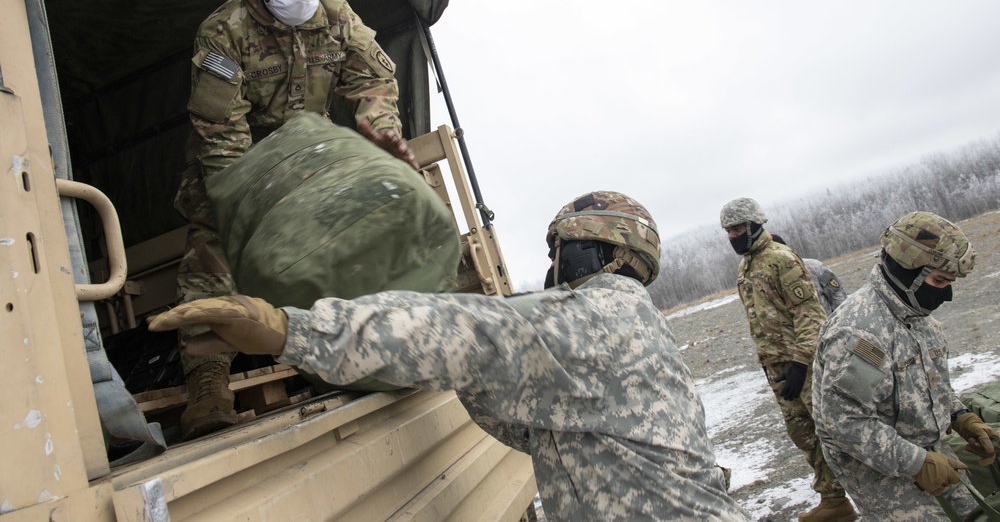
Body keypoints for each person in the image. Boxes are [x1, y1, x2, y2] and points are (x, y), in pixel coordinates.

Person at [150, 191, 753, 521]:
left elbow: (461, 328)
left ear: (604, 254)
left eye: (561, 250)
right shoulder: (632, 323)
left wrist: (289, 330)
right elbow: (537, 426)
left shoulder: (589, 319)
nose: (550, 267)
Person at [173, 0, 418, 440]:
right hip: (236, 160)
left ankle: (342, 356)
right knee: (214, 254)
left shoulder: (336, 17)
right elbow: (220, 131)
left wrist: (382, 132)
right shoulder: (224, 31)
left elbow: (374, 80)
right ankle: (208, 384)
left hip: (311, 153)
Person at [812, 211, 994, 521]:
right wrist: (917, 463)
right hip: (873, 464)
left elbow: (932, 383)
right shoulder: (861, 333)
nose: (947, 295)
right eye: (939, 281)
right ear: (908, 271)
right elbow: (845, 424)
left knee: (972, 514)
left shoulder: (919, 319)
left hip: (927, 448)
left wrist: (961, 417)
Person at [720, 198, 857, 522]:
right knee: (803, 434)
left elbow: (810, 315)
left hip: (803, 364)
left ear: (755, 225)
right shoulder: (747, 265)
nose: (732, 236)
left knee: (834, 430)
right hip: (776, 366)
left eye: (738, 228)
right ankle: (835, 500)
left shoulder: (781, 259)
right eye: (728, 231)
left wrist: (800, 363)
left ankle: (878, 489)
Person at [771, 235, 849, 316]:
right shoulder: (766, 281)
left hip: (828, 323)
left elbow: (837, 294)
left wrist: (841, 318)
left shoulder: (814, 266)